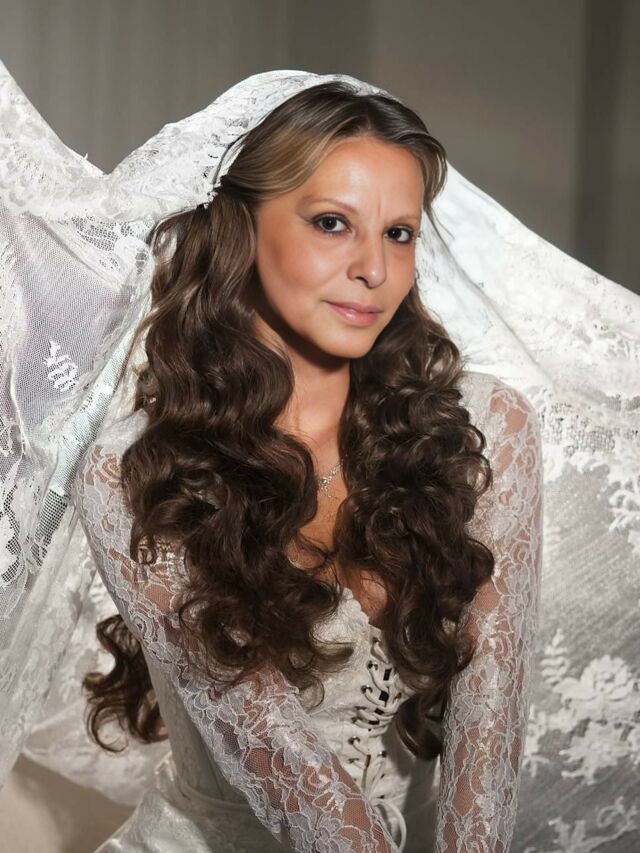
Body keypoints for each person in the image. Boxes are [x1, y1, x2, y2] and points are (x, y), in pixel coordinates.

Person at [0, 65, 637, 853]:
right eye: (333, 223)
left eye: (399, 233)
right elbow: (293, 780)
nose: (375, 269)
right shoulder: (137, 470)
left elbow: (489, 732)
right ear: (239, 226)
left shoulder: (484, 427)